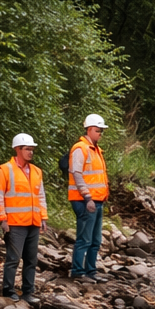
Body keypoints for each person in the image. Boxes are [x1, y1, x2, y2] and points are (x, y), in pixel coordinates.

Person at [0, 134, 47, 303]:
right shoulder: (5, 170)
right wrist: (2, 219)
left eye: (32, 149)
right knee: (13, 259)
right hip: (15, 223)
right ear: (18, 149)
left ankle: (28, 291)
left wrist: (43, 217)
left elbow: (41, 196)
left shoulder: (37, 171)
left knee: (31, 259)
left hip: (33, 222)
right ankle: (8, 290)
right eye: (27, 149)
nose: (31, 153)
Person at [68, 113, 109, 282]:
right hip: (85, 201)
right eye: (99, 130)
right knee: (84, 238)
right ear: (90, 130)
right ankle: (78, 271)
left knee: (95, 240)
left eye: (102, 131)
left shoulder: (96, 150)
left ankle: (91, 271)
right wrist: (87, 197)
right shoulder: (81, 148)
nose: (101, 134)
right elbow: (77, 174)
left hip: (97, 200)